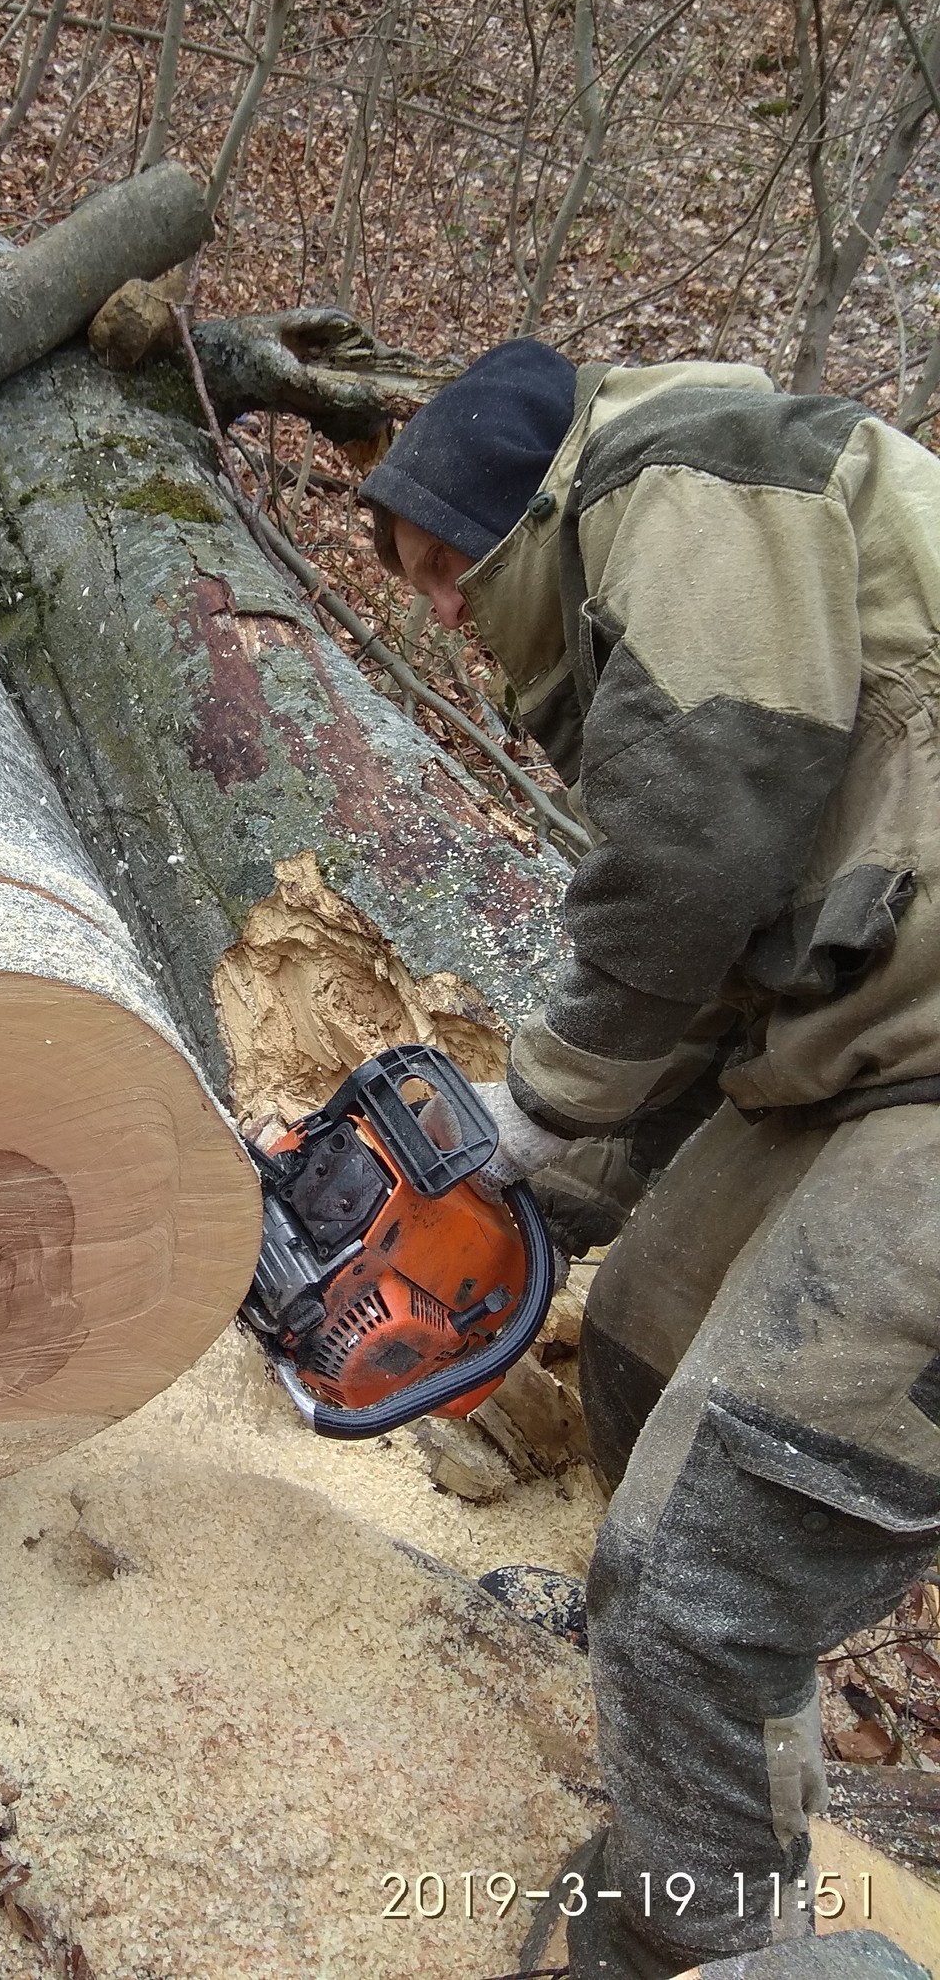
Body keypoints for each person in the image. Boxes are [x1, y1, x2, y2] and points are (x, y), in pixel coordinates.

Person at [355, 340, 940, 1978]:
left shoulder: (683, 470)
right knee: (639, 1344)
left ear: (519, 507)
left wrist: (534, 1097)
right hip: (876, 1050)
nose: (448, 627)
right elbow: (727, 958)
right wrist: (526, 1174)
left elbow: (695, 845)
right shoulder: (689, 552)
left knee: (698, 1575)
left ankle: (710, 1940)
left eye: (446, 579)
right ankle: (700, 1738)